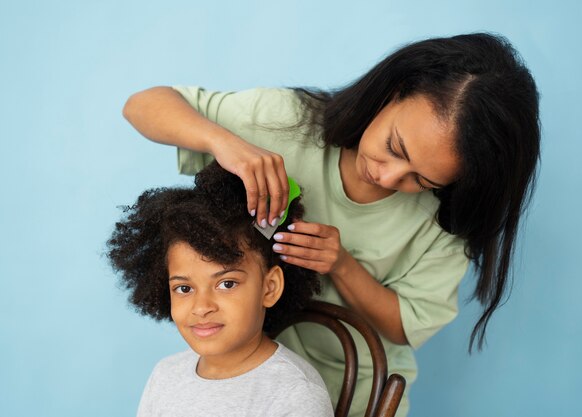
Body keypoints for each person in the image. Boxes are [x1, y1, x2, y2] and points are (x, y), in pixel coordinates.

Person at [122, 33, 541, 416]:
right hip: (238, 381)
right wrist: (223, 142)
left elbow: (404, 325)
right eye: (394, 147)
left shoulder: (441, 221)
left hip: (351, 398)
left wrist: (341, 264)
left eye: (422, 180)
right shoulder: (284, 121)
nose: (390, 177)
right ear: (392, 93)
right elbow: (142, 105)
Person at [106, 162, 334, 417]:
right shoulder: (165, 374)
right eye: (183, 288)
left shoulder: (295, 394)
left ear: (269, 287)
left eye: (226, 284)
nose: (202, 307)